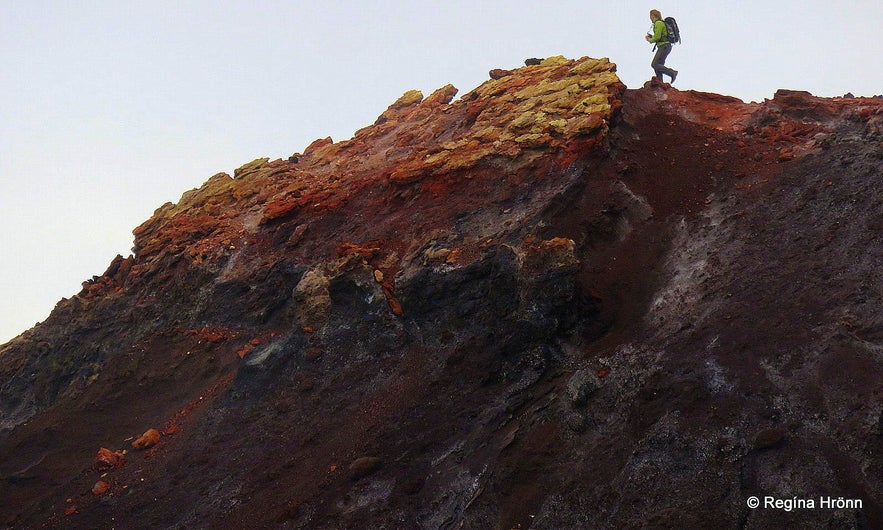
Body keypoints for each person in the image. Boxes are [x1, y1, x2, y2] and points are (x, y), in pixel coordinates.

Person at [645, 9, 678, 84]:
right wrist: (652, 37)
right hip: (665, 46)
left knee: (655, 64)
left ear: (653, 15)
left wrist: (649, 39)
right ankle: (660, 83)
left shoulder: (658, 23)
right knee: (658, 66)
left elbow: (657, 37)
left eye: (650, 16)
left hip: (664, 46)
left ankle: (672, 73)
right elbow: (660, 36)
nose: (650, 18)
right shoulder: (660, 23)